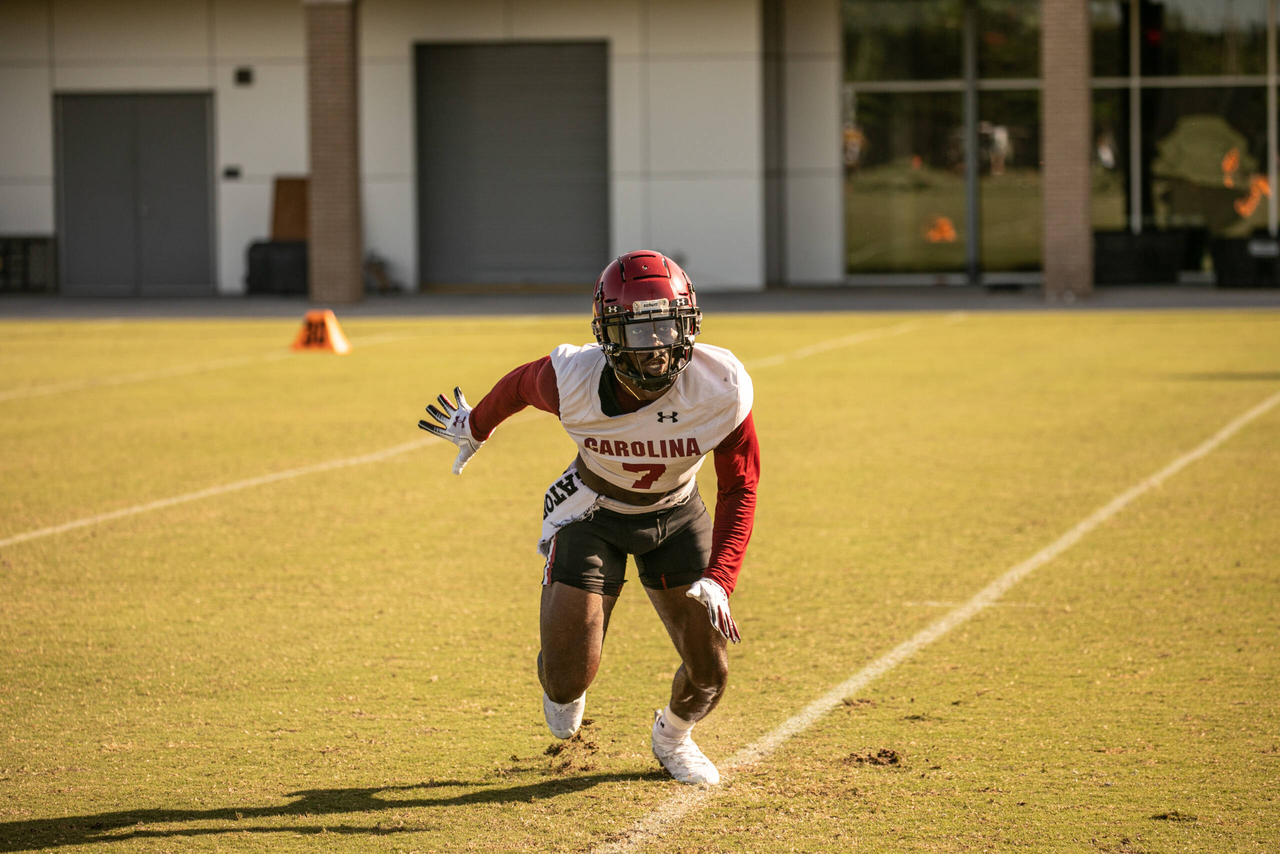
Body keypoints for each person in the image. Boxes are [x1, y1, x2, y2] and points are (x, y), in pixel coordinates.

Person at [419, 250, 759, 785]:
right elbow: (518, 386)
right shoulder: (572, 378)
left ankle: (673, 737)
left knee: (710, 672)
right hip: (592, 513)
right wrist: (476, 424)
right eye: (638, 331)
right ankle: (563, 673)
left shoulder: (721, 384)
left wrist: (721, 576)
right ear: (607, 334)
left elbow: (740, 484)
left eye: (667, 327)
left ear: (689, 324)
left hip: (676, 514)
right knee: (565, 682)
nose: (656, 347)